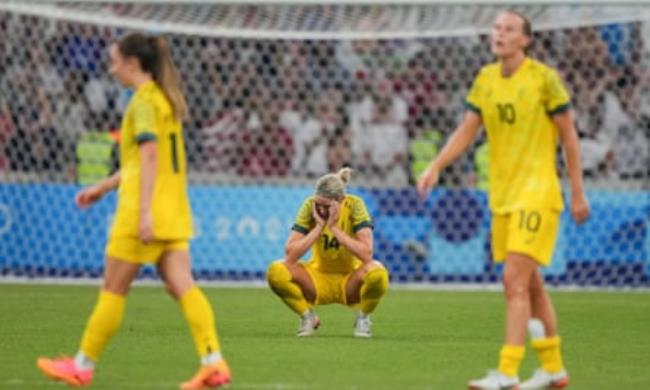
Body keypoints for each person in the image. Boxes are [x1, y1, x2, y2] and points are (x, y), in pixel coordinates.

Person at [36, 32, 231, 389]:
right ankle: (213, 361)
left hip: (144, 211)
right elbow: (141, 163)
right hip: (173, 209)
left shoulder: (142, 102)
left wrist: (143, 215)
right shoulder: (164, 99)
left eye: (114, 61)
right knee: (182, 286)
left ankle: (81, 365)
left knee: (113, 288)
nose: (111, 68)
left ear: (131, 63)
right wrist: (101, 188)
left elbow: (149, 156)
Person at [417, 11, 590, 390]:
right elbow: (466, 131)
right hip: (503, 197)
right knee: (530, 285)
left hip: (538, 194)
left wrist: (577, 191)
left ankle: (507, 373)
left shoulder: (544, 79)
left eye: (509, 29)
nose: (500, 34)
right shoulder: (485, 79)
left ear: (525, 40)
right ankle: (553, 369)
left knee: (513, 280)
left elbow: (569, 137)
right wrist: (436, 166)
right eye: (496, 28)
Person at [266, 167, 389, 338]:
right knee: (276, 272)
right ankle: (307, 317)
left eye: (326, 206)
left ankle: (363, 317)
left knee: (379, 275)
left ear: (341, 200)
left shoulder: (355, 205)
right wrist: (318, 227)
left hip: (350, 281)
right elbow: (291, 254)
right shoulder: (310, 206)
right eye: (318, 204)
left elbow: (366, 254)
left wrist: (333, 228)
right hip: (317, 280)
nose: (321, 210)